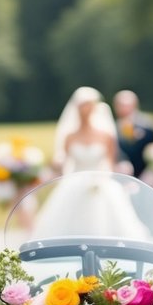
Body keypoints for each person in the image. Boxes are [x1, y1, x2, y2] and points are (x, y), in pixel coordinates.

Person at [33, 89, 146, 240]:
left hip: (100, 181)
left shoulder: (105, 135)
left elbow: (111, 164)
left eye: (88, 106)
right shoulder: (70, 136)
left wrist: (108, 179)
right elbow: (63, 163)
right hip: (74, 181)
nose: (84, 111)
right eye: (81, 107)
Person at [112, 88, 153, 178]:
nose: (124, 109)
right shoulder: (113, 127)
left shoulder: (147, 125)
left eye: (126, 105)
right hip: (121, 173)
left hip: (145, 173)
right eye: (120, 105)